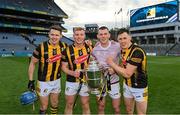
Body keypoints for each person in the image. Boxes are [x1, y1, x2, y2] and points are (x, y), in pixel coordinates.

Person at [106, 28, 148, 114]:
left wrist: (111, 63)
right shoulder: (123, 50)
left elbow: (127, 73)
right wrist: (114, 70)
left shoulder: (137, 52)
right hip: (127, 85)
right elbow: (124, 64)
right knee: (129, 111)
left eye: (125, 38)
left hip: (139, 87)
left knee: (141, 113)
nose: (122, 41)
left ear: (130, 38)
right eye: (120, 39)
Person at [28, 25, 67, 114]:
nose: (54, 37)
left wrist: (88, 43)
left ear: (61, 36)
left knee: (55, 104)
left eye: (57, 35)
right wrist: (31, 80)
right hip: (43, 82)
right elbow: (32, 63)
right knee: (44, 106)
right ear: (49, 34)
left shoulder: (64, 46)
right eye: (52, 34)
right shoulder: (41, 47)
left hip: (57, 80)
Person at [61, 27, 92, 114]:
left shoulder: (89, 47)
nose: (79, 37)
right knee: (69, 104)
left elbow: (95, 61)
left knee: (85, 104)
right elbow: (63, 67)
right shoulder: (66, 50)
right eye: (77, 34)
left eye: (81, 34)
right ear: (73, 36)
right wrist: (72, 73)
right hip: (71, 81)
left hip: (86, 81)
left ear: (84, 36)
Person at [92, 26, 121, 114]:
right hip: (100, 83)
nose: (103, 36)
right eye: (101, 34)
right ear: (98, 36)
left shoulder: (117, 46)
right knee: (101, 107)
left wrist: (115, 69)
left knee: (116, 108)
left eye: (105, 34)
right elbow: (92, 63)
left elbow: (124, 61)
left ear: (109, 35)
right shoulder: (94, 49)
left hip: (114, 82)